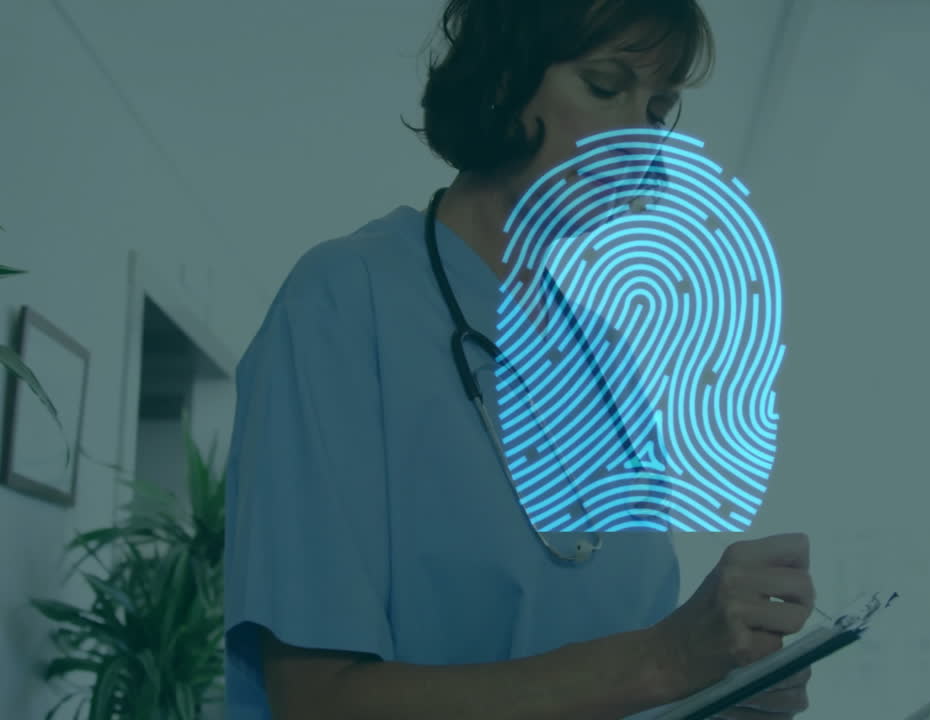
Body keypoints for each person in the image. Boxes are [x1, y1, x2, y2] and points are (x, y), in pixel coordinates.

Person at [222, 1, 817, 718]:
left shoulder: (611, 368)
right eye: (605, 87)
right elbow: (317, 701)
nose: (639, 141)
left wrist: (721, 689)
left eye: (658, 111)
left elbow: (633, 675)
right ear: (503, 77)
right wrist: (665, 661)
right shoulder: (344, 302)